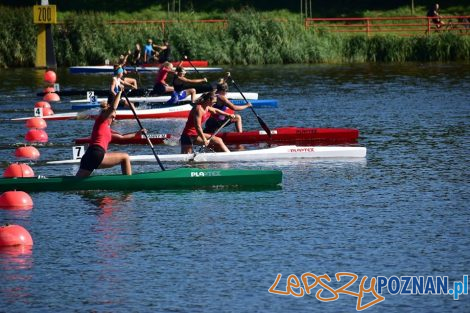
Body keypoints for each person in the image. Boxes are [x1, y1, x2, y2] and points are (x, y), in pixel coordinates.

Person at [76, 87, 132, 177]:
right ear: (107, 114)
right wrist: (120, 92)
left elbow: (122, 137)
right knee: (125, 157)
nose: (114, 118)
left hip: (88, 156)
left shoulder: (106, 129)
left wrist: (138, 133)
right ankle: (129, 182)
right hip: (96, 154)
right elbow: (113, 107)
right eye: (113, 117)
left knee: (76, 182)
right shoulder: (102, 119)